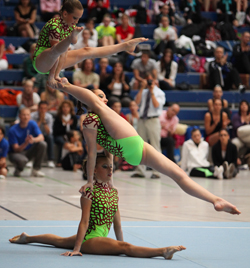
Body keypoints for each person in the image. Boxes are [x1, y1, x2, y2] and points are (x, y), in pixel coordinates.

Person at [49, 76, 240, 216]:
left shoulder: (98, 119)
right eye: (101, 96)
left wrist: (110, 181)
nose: (105, 100)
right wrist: (90, 181)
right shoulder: (92, 117)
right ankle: (64, 85)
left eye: (105, 96)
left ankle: (215, 200)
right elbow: (92, 153)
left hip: (135, 149)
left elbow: (107, 153)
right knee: (177, 174)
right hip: (132, 146)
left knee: (179, 174)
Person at [9, 155, 186, 259]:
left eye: (111, 166)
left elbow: (117, 224)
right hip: (90, 238)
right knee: (124, 248)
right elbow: (84, 221)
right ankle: (163, 251)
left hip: (97, 236)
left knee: (60, 241)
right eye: (104, 166)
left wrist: (118, 241)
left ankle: (28, 238)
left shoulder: (113, 192)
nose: (110, 169)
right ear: (94, 170)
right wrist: (77, 249)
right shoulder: (89, 192)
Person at [32, 0, 147, 88]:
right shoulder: (54, 26)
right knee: (58, 50)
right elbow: (55, 52)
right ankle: (54, 72)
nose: (76, 21)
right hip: (42, 60)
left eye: (79, 19)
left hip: (58, 58)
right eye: (75, 18)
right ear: (65, 13)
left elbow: (72, 45)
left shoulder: (70, 24)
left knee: (86, 51)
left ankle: (125, 46)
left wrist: (57, 74)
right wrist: (51, 77)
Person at [131, 74, 165, 179]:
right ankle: (140, 171)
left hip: (153, 120)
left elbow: (156, 105)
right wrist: (142, 88)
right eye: (148, 79)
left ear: (155, 80)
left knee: (155, 146)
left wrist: (152, 92)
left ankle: (156, 172)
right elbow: (136, 102)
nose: (149, 81)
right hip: (142, 120)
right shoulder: (144, 92)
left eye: (151, 79)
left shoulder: (160, 93)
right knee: (140, 146)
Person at [8, 108, 46, 177]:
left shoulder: (32, 124)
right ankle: (18, 169)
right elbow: (16, 149)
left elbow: (41, 137)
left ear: (30, 116)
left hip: (28, 151)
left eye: (28, 115)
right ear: (19, 116)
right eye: (24, 115)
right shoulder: (13, 130)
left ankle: (36, 170)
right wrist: (26, 143)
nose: (26, 117)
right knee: (23, 160)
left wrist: (33, 140)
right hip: (16, 153)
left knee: (42, 144)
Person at [53, 100, 78, 167]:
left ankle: (76, 161)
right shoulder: (58, 117)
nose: (65, 108)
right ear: (61, 108)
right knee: (62, 142)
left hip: (70, 136)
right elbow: (56, 131)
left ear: (70, 108)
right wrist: (65, 125)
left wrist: (69, 125)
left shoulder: (73, 118)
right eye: (64, 107)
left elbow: (74, 130)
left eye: (67, 107)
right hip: (60, 135)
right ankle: (59, 161)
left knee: (76, 141)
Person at [31, 101, 55, 168]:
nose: (42, 110)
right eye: (41, 108)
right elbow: (33, 130)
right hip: (35, 135)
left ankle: (50, 160)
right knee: (31, 137)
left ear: (47, 109)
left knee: (50, 138)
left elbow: (49, 132)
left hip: (45, 135)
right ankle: (30, 160)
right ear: (38, 108)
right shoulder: (32, 115)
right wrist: (40, 121)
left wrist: (44, 122)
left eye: (44, 108)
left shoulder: (49, 117)